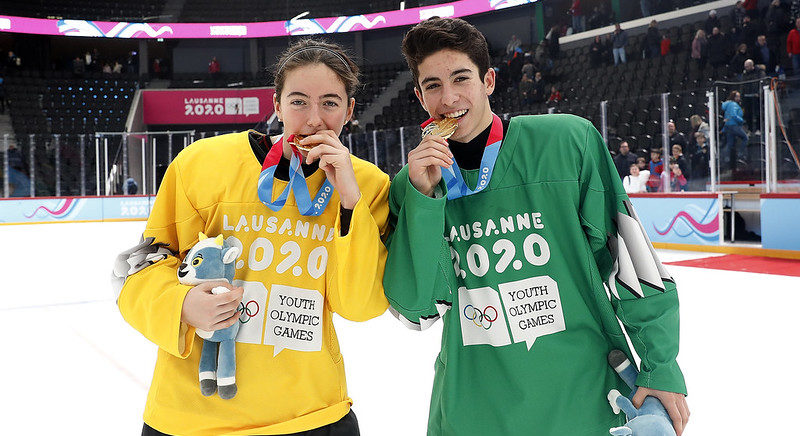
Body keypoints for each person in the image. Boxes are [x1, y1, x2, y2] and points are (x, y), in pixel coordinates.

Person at [384, 17, 689, 436]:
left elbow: (631, 262)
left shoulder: (568, 143)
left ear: (488, 80)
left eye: (461, 78)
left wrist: (661, 367)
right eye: (433, 85)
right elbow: (417, 313)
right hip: (474, 413)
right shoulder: (412, 183)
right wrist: (422, 201)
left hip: (585, 403)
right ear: (419, 96)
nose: (449, 97)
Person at [112, 39, 390, 436]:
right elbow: (138, 270)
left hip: (310, 415)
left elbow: (360, 306)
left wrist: (349, 202)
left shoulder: (368, 185)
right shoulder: (201, 164)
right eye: (298, 102)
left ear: (349, 110)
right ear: (276, 105)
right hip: (192, 419)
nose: (313, 119)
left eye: (329, 103)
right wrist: (181, 304)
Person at [722, 90, 749, 169]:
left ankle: (728, 160)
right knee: (745, 138)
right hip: (734, 125)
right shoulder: (733, 104)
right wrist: (741, 121)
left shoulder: (729, 105)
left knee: (730, 144)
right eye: (737, 96)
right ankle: (740, 154)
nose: (739, 98)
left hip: (728, 126)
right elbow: (734, 115)